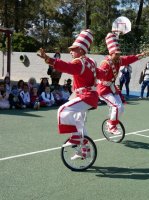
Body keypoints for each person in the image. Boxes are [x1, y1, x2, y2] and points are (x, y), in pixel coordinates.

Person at [37, 29, 100, 160]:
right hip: (90, 96)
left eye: (73, 49)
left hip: (86, 97)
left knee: (62, 110)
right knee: (79, 123)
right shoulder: (91, 62)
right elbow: (101, 73)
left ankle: (76, 138)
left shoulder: (79, 62)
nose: (70, 51)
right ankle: (84, 150)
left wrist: (48, 59)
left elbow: (66, 67)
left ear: (81, 50)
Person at [97, 32, 145, 135]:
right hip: (103, 89)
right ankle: (111, 125)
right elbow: (99, 74)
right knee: (117, 107)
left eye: (119, 53)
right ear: (111, 53)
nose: (119, 55)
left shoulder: (119, 60)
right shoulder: (105, 64)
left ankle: (111, 121)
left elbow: (128, 59)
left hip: (112, 88)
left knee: (121, 107)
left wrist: (138, 56)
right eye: (116, 54)